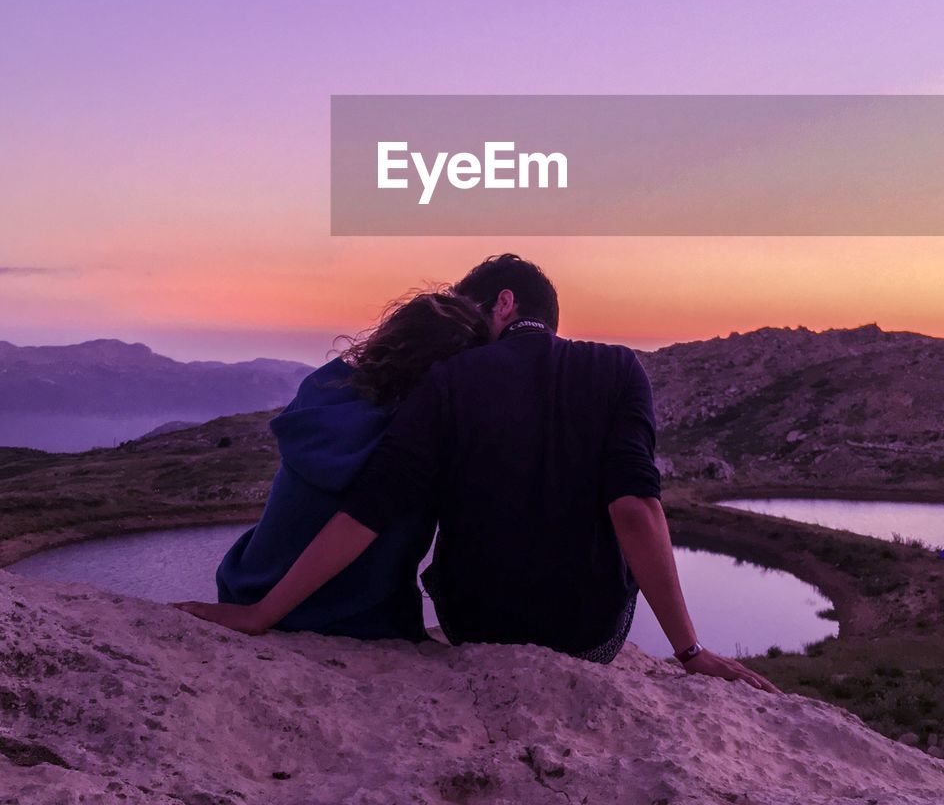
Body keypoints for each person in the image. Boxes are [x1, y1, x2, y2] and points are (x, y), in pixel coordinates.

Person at [178, 254, 777, 693]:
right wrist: (688, 650)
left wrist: (261, 614)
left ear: (505, 303)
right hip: (590, 640)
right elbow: (634, 509)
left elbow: (371, 507)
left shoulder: (450, 380)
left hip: (475, 628)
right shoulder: (621, 369)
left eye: (472, 308)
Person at [183, 289, 490, 641]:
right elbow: (360, 521)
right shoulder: (415, 443)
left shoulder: (320, 394)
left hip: (247, 585)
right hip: (354, 621)